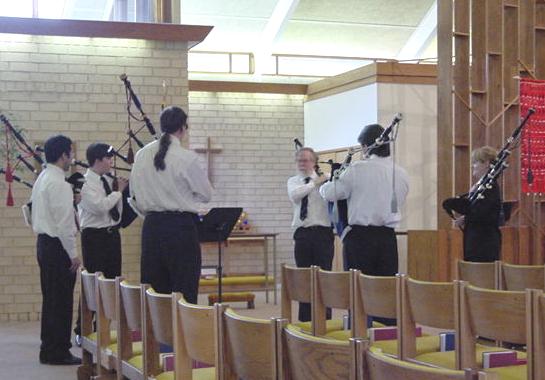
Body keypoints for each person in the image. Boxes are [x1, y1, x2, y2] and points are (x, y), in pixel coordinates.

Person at [130, 106, 212, 302]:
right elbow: (206, 194)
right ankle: (182, 333)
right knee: (184, 290)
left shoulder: (141, 155)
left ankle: (158, 333)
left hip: (152, 228)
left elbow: (134, 197)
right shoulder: (186, 157)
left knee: (155, 293)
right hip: (181, 229)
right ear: (183, 128)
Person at [319, 124, 409, 278]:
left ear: (366, 146)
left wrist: (327, 182)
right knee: (384, 288)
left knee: (358, 291)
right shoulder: (401, 173)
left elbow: (331, 193)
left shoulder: (357, 169)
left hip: (360, 239)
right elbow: (397, 202)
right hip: (388, 238)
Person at [31, 135, 82, 365]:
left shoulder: (43, 177)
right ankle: (59, 351)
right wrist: (73, 254)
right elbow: (64, 225)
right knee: (61, 301)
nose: (72, 156)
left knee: (51, 299)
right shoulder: (59, 183)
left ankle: (48, 348)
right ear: (63, 155)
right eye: (70, 152)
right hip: (57, 246)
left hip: (44, 243)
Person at [287, 147, 333, 322]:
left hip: (322, 233)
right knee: (304, 277)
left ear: (314, 162)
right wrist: (314, 182)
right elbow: (295, 196)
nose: (302, 163)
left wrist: (322, 181)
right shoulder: (294, 181)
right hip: (303, 233)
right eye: (299, 160)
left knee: (324, 277)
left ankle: (325, 318)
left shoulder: (327, 179)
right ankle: (305, 319)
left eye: (306, 160)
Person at [78, 143, 128, 278]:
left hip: (112, 235)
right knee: (97, 282)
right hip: (95, 237)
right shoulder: (83, 182)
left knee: (114, 279)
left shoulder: (108, 179)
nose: (111, 162)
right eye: (108, 158)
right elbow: (100, 207)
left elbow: (117, 208)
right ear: (97, 160)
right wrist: (118, 192)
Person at [444, 146, 501, 262]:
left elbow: (483, 213)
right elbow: (479, 211)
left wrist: (460, 208)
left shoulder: (489, 187)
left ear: (486, 163)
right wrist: (466, 218)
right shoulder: (481, 186)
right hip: (476, 240)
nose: (472, 166)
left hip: (484, 243)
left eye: (475, 162)